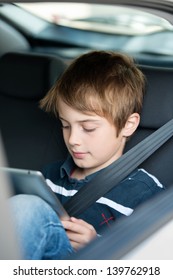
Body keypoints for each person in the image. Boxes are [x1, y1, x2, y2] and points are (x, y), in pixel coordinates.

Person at [9, 51, 164, 260]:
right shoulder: (51, 176)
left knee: (27, 208)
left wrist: (98, 246)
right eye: (65, 125)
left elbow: (153, 263)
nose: (73, 139)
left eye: (88, 128)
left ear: (128, 125)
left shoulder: (145, 192)